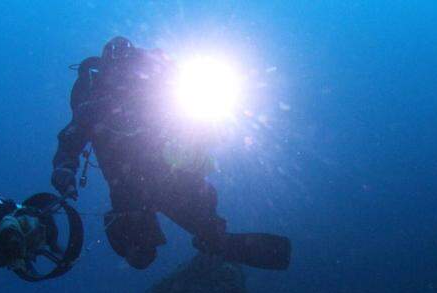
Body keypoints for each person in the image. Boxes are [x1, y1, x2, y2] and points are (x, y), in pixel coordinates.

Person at [51, 36, 289, 270]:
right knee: (141, 257)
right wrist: (63, 170)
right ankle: (213, 243)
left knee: (211, 235)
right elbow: (70, 140)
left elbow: (199, 126)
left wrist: (201, 137)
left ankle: (221, 247)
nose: (122, 81)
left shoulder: (156, 94)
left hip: (166, 177)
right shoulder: (94, 106)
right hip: (131, 186)